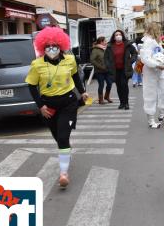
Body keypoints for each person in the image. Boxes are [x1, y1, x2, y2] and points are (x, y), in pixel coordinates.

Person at [25, 26, 88, 188]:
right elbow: (31, 86)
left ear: (61, 46)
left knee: (62, 137)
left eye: (55, 45)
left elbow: (75, 76)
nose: (51, 49)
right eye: (48, 46)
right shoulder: (37, 64)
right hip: (49, 106)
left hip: (68, 103)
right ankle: (65, 149)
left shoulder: (70, 60)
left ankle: (63, 173)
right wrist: (40, 106)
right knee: (58, 137)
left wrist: (83, 92)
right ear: (42, 47)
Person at [141, 23, 164, 129]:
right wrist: (157, 65)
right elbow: (145, 58)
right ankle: (151, 120)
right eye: (159, 29)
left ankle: (162, 115)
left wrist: (162, 64)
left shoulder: (156, 42)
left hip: (160, 71)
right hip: (151, 71)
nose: (160, 31)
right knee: (150, 94)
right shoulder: (148, 42)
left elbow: (159, 55)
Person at [104, 30, 137, 110]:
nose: (118, 36)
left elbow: (134, 53)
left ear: (122, 36)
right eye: (116, 35)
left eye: (119, 34)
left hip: (125, 69)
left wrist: (130, 61)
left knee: (124, 85)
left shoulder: (127, 44)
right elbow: (106, 58)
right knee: (118, 86)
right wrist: (108, 66)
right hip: (115, 70)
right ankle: (121, 103)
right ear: (114, 37)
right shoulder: (110, 46)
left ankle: (126, 103)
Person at [90, 36, 113, 105]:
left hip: (107, 70)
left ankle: (106, 96)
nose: (106, 42)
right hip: (99, 71)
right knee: (101, 85)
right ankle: (100, 99)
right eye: (105, 41)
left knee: (109, 83)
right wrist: (101, 66)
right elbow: (92, 60)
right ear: (101, 42)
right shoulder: (95, 50)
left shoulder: (106, 49)